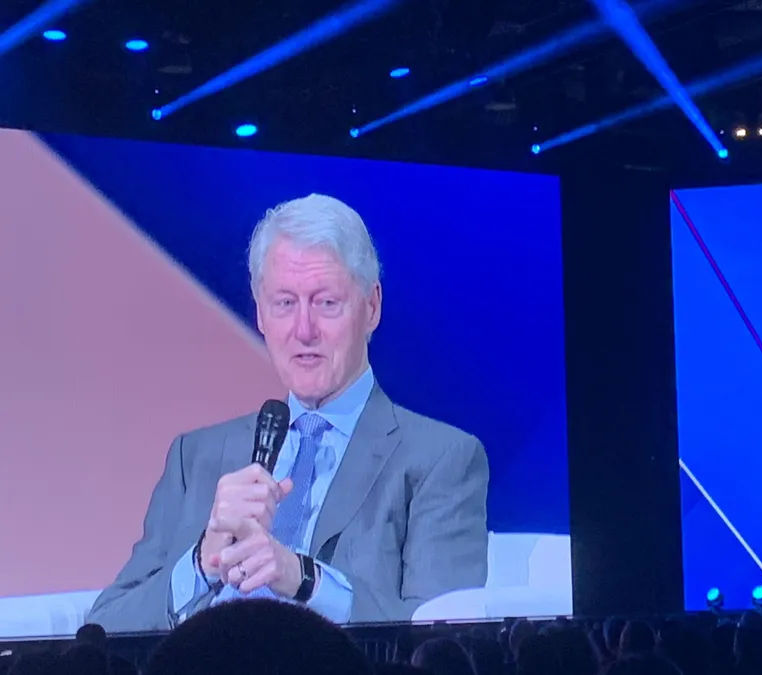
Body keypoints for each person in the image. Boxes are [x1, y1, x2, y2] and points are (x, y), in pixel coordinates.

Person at [86, 194, 489, 632]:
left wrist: (304, 578)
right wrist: (203, 562)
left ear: (371, 307)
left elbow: (444, 635)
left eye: (326, 303)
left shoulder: (440, 458)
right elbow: (104, 627)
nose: (303, 330)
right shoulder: (195, 456)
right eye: (284, 304)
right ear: (260, 313)